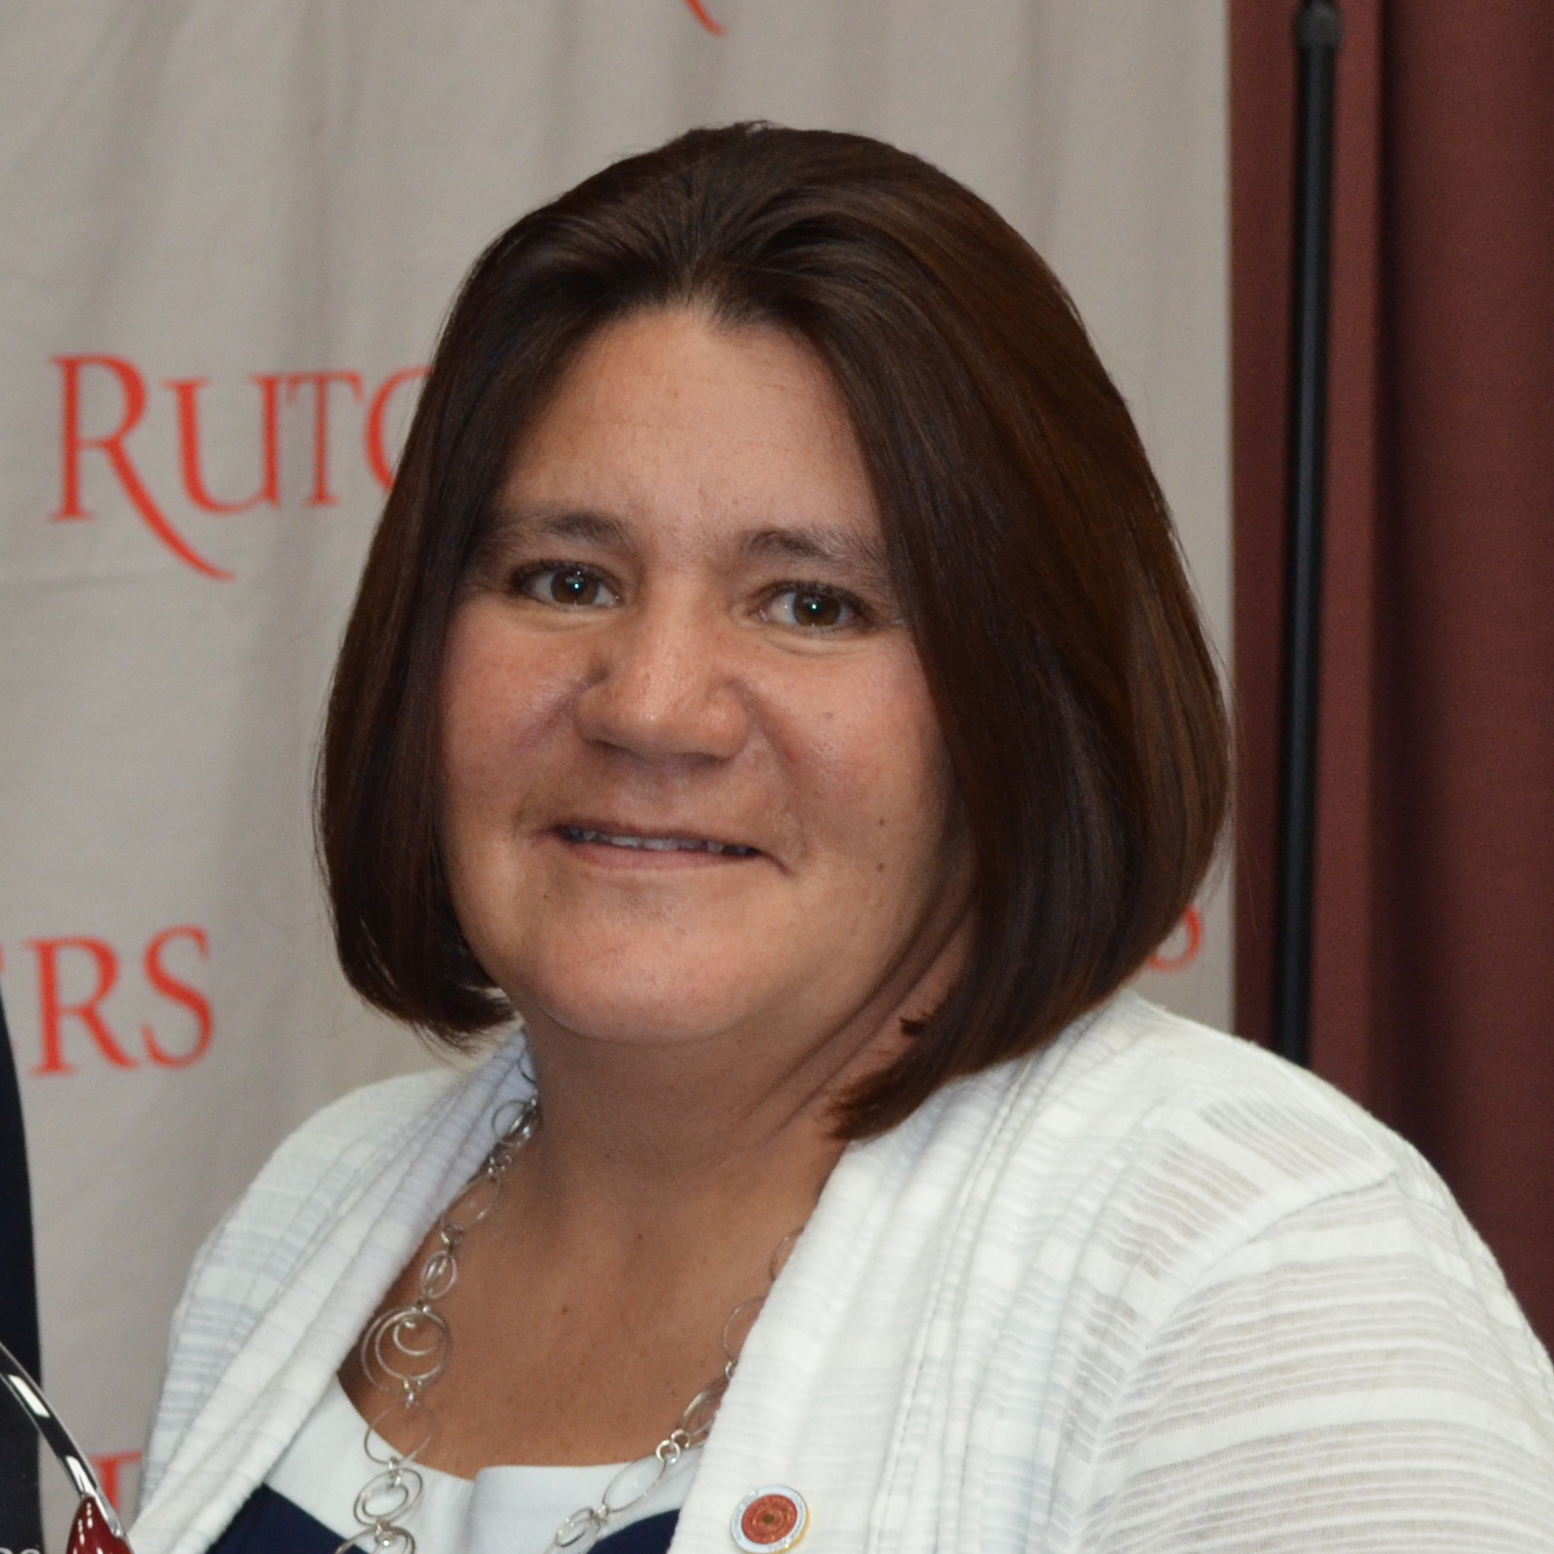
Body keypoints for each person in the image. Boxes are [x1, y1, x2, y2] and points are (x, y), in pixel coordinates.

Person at [133, 124, 1554, 1554]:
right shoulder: (316, 1208)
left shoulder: (1254, 1266)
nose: (651, 704)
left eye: (812, 602)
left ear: (1023, 695)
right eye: (564, 578)